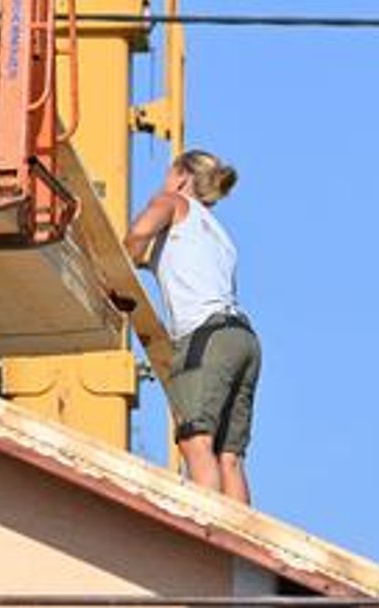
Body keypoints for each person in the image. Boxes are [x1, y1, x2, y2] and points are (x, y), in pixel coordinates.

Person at [123, 149, 260, 503]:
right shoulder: (219, 235)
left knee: (195, 440)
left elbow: (137, 235)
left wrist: (127, 258)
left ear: (181, 177)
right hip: (242, 338)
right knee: (230, 457)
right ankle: (238, 551)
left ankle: (207, 538)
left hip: (207, 337)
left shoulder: (172, 201)